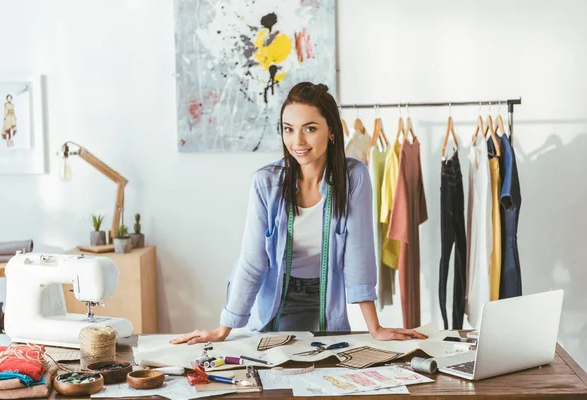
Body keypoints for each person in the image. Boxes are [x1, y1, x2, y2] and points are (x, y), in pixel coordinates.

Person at [171, 82, 426, 345]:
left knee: (328, 363)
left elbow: (358, 254)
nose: (298, 141)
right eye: (288, 130)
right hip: (277, 292)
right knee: (275, 367)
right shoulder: (266, 183)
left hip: (326, 292)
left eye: (310, 129)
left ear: (331, 131)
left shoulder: (354, 177)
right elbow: (252, 261)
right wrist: (221, 330)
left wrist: (375, 328)